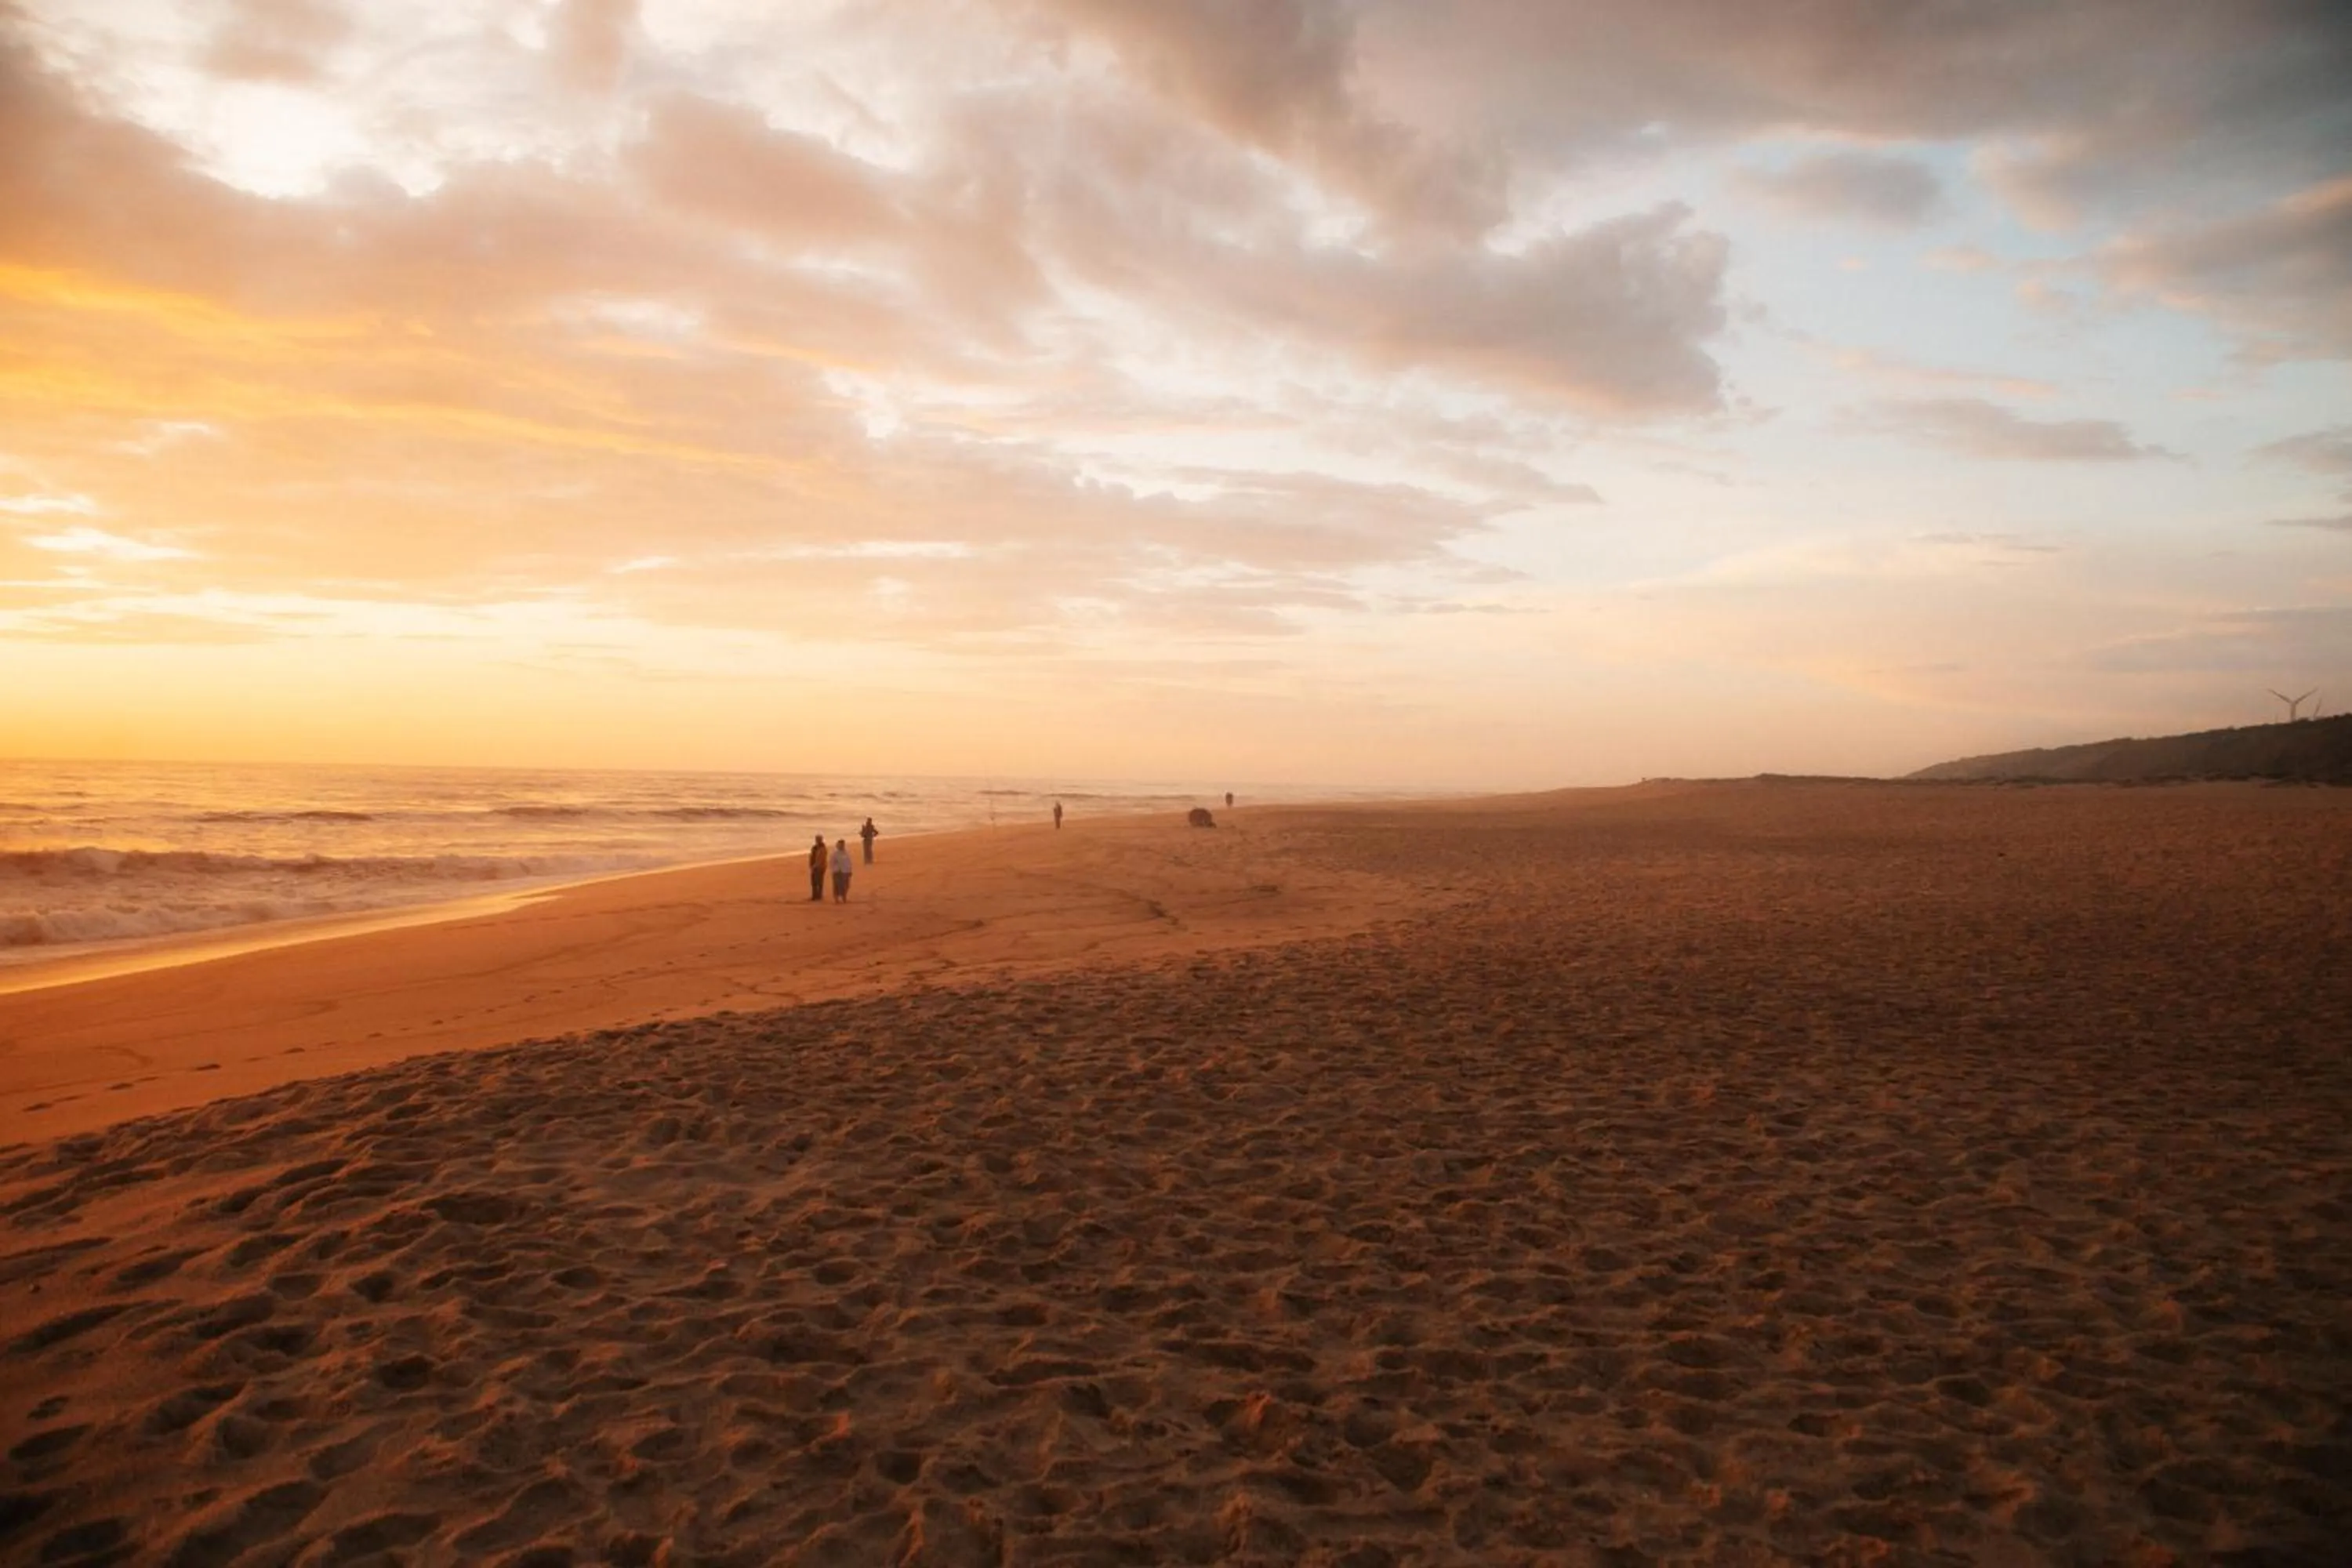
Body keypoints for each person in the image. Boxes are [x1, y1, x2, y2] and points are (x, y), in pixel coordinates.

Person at [830, 837, 854, 902]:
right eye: (840, 845)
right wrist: (835, 870)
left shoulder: (846, 853)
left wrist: (850, 871)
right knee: (837, 886)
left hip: (846, 872)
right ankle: (836, 899)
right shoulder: (835, 854)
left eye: (842, 845)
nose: (841, 846)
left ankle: (844, 897)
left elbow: (849, 862)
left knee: (846, 885)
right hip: (838, 872)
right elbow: (832, 863)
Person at [806, 833, 827, 902]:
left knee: (819, 882)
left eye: (819, 839)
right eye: (817, 839)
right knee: (813, 882)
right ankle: (814, 895)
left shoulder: (823, 848)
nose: (817, 840)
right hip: (814, 866)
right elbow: (812, 856)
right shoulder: (814, 847)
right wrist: (811, 865)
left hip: (820, 867)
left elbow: (821, 859)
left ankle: (819, 896)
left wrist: (815, 866)